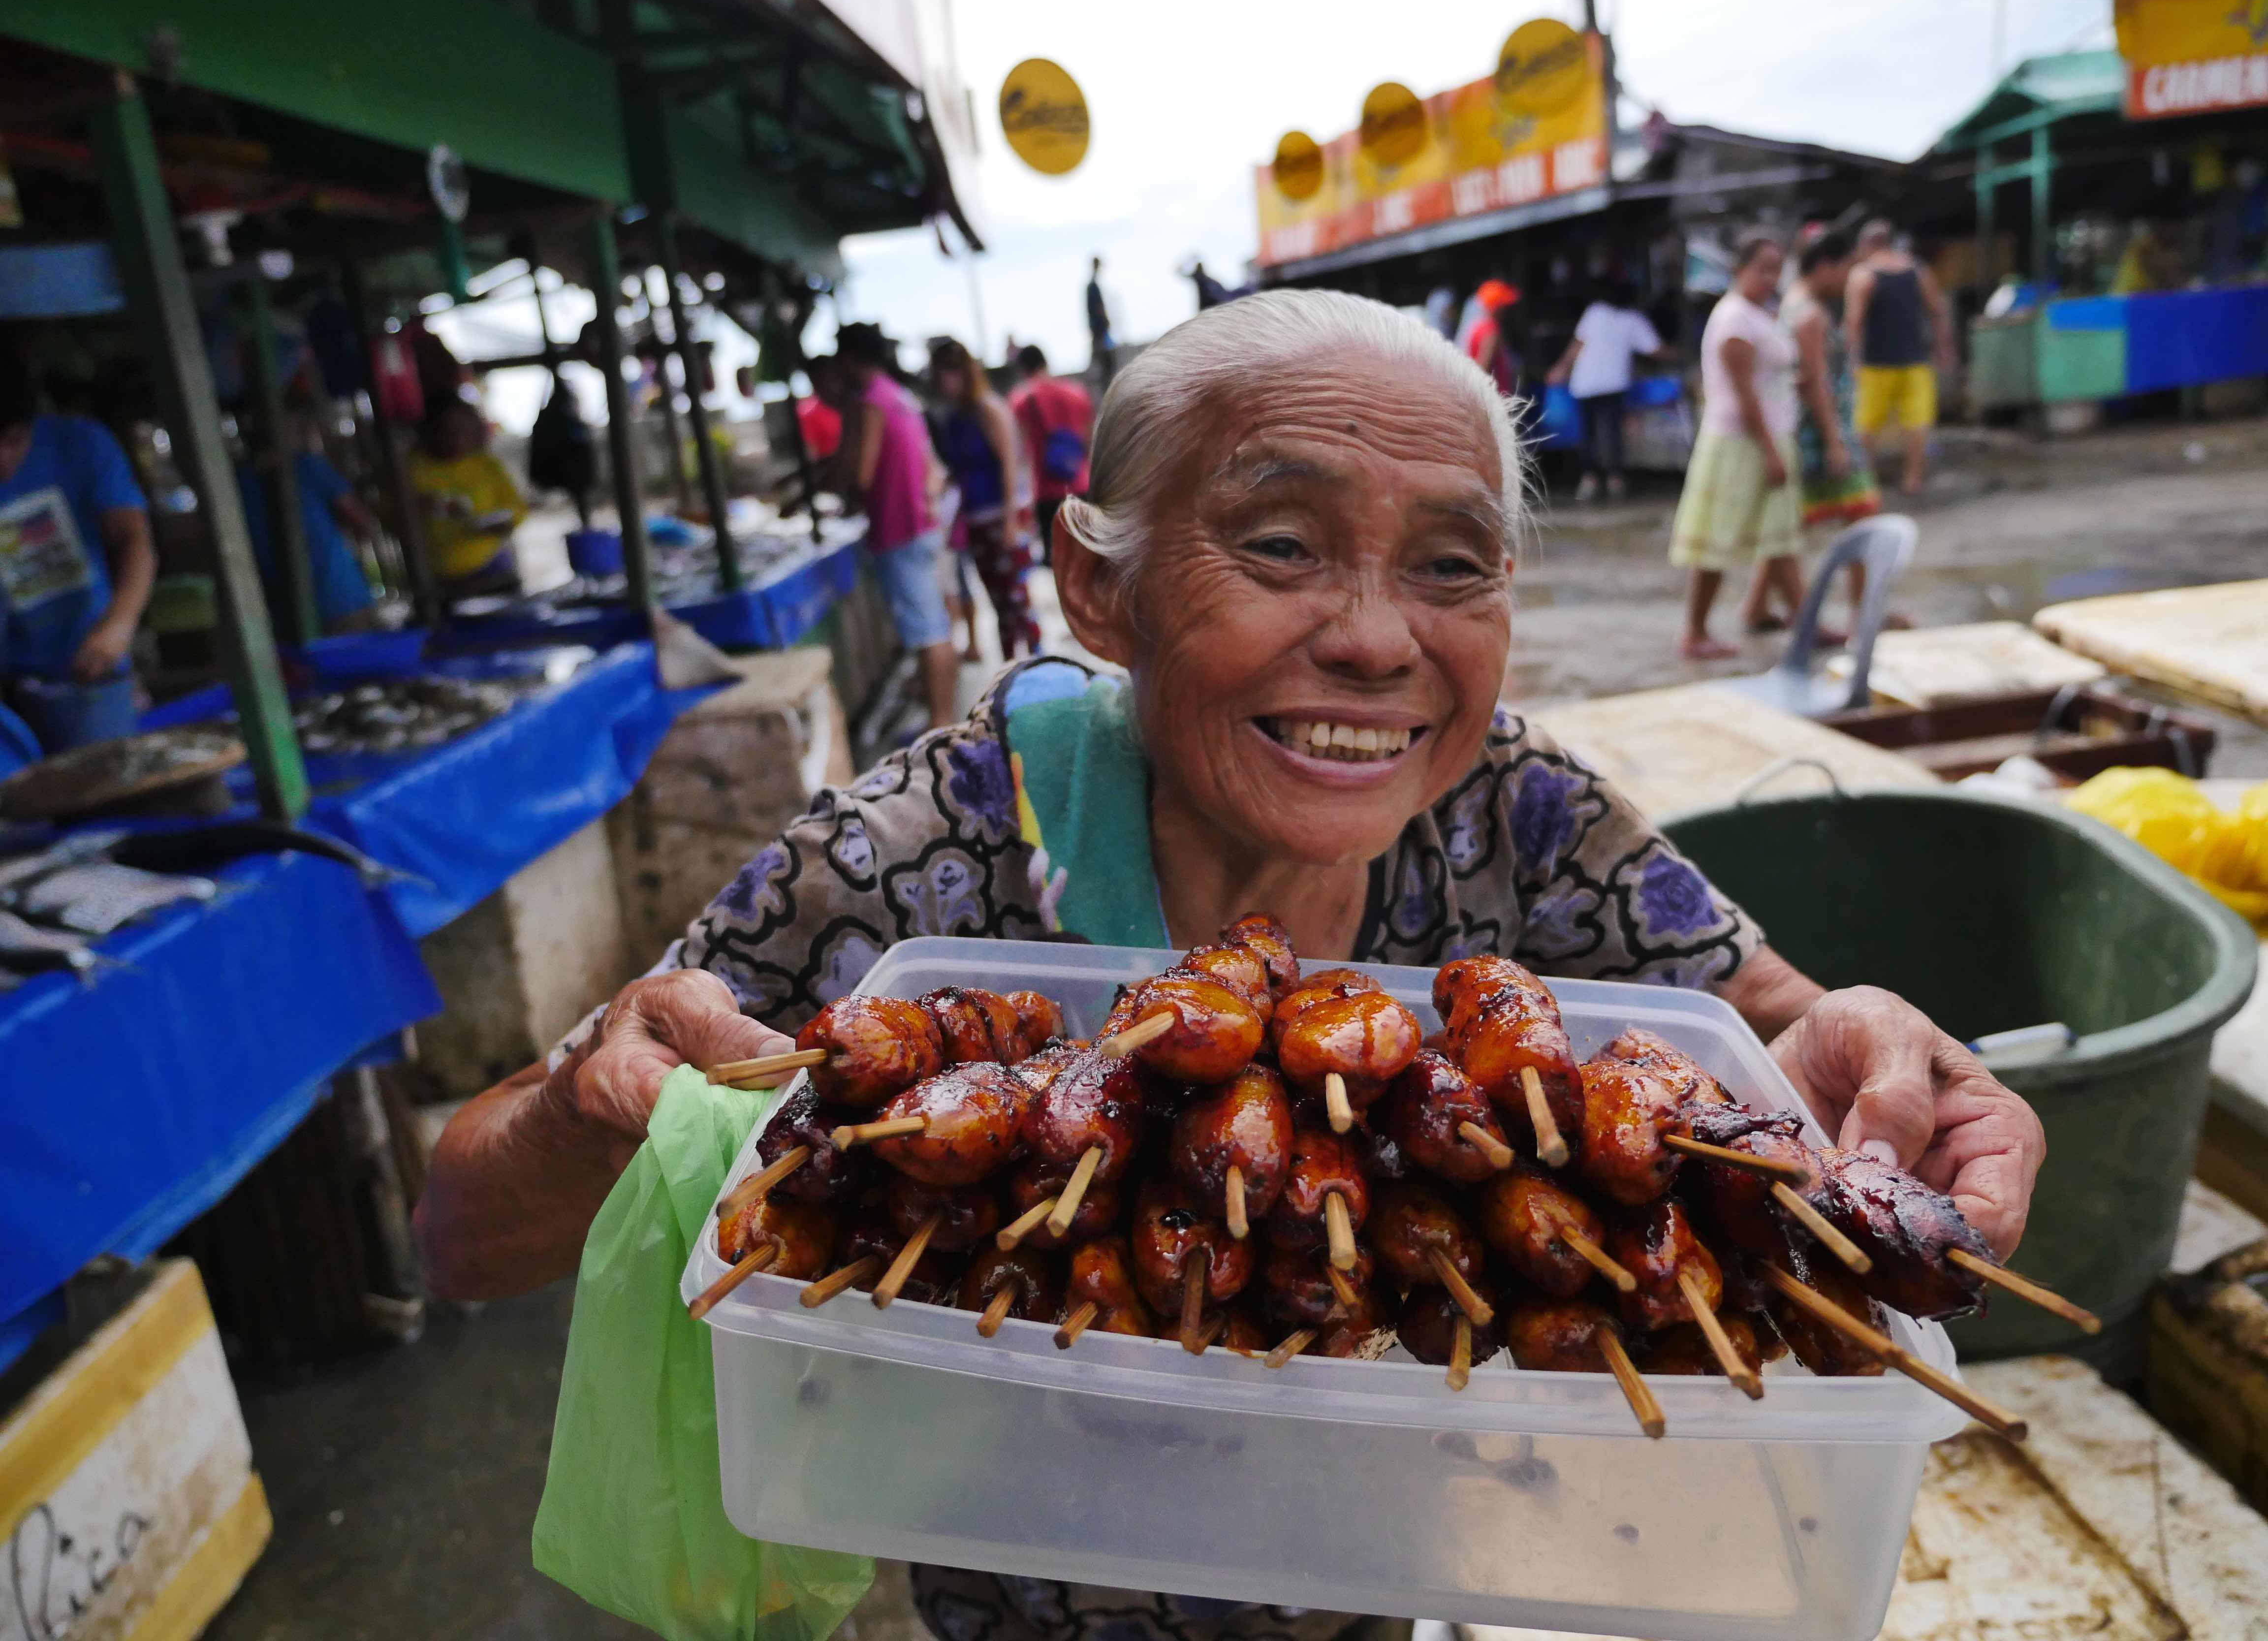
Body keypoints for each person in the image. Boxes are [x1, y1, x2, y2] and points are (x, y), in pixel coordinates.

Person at [418, 288, 2044, 1641]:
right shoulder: (927, 844)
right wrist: (588, 1095)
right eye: (1277, 543)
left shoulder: (1518, 816)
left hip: (1380, 1580)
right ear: (1095, 588)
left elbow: (1765, 1029)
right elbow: (457, 1232)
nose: (1372, 636)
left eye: (1448, 563)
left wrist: (1861, 1047)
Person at [0, 338, 155, 751]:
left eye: (13, 440)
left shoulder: (81, 444)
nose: (2, 459)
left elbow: (133, 540)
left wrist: (119, 624)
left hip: (94, 673)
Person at [1741, 229, 1883, 636]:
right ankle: (1863, 615)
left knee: (1792, 524)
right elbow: (1817, 382)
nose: (1848, 279)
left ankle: (1756, 607)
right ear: (1825, 266)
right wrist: (1836, 442)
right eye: (1845, 269)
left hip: (1809, 428)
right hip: (1821, 431)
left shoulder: (1792, 306)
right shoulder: (1810, 314)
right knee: (1863, 515)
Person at [1669, 232, 1802, 661]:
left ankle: (1800, 618)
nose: (1770, 278)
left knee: (1778, 536)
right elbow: (1745, 394)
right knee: (1715, 541)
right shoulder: (1734, 321)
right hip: (1739, 442)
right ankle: (1695, 631)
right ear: (1739, 270)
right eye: (1761, 268)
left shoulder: (1759, 315)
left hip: (1768, 434)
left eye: (1775, 269)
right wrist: (1768, 449)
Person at [830, 324, 958, 732]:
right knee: (932, 624)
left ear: (848, 359)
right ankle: (938, 713)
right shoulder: (898, 395)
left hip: (900, 528)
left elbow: (863, 475)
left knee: (928, 630)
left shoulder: (872, 402)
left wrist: (844, 490)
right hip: (921, 523)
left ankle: (941, 724)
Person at [930, 338, 1040, 661]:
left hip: (1000, 518)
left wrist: (1010, 521)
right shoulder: (956, 418)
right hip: (975, 521)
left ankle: (1038, 662)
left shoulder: (988, 409)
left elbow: (1010, 464)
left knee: (1018, 601)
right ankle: (1013, 669)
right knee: (999, 604)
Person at [1843, 220, 1952, 498]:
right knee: (1916, 422)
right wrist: (1944, 349)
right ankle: (1913, 479)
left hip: (1875, 364)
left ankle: (1868, 481)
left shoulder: (1863, 275)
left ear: (1868, 245)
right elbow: (1937, 310)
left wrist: (1851, 360)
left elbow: (1854, 322)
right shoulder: (1917, 270)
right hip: (1915, 360)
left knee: (1866, 425)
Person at [234, 436, 380, 635]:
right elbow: (361, 523)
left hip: (280, 613)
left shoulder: (237, 480)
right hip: (340, 600)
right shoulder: (306, 465)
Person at [1545, 278, 1666, 501]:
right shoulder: (1633, 319)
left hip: (1585, 384)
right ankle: (1615, 480)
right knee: (1611, 433)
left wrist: (1561, 368)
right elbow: (1656, 350)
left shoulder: (1595, 312)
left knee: (1588, 434)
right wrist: (1680, 354)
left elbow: (1577, 345)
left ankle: (1589, 480)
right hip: (1612, 383)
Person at [407, 398, 527, 599]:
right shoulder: (412, 468)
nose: (457, 438)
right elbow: (388, 513)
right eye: (448, 430)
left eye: (463, 430)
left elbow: (517, 507)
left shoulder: (486, 464)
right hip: (438, 580)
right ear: (432, 432)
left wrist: (505, 522)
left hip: (493, 569)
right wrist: (415, 508)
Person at [1007, 342, 1093, 564]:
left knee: (1060, 563)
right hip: (1081, 485)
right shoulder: (1077, 392)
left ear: (1023, 369)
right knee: (1089, 558)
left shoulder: (1021, 399)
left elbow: (1018, 451)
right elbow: (1088, 439)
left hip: (1047, 493)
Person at [1462, 278, 1521, 399]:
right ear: (1497, 307)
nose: (1507, 310)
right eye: (1504, 305)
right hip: (1494, 399)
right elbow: (1483, 368)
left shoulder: (1477, 326)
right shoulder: (1491, 331)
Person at [1086, 255, 1116, 385]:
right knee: (1105, 362)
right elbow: (1099, 307)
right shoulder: (1093, 286)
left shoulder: (1091, 286)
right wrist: (1105, 320)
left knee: (1101, 360)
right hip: (1099, 329)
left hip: (1097, 329)